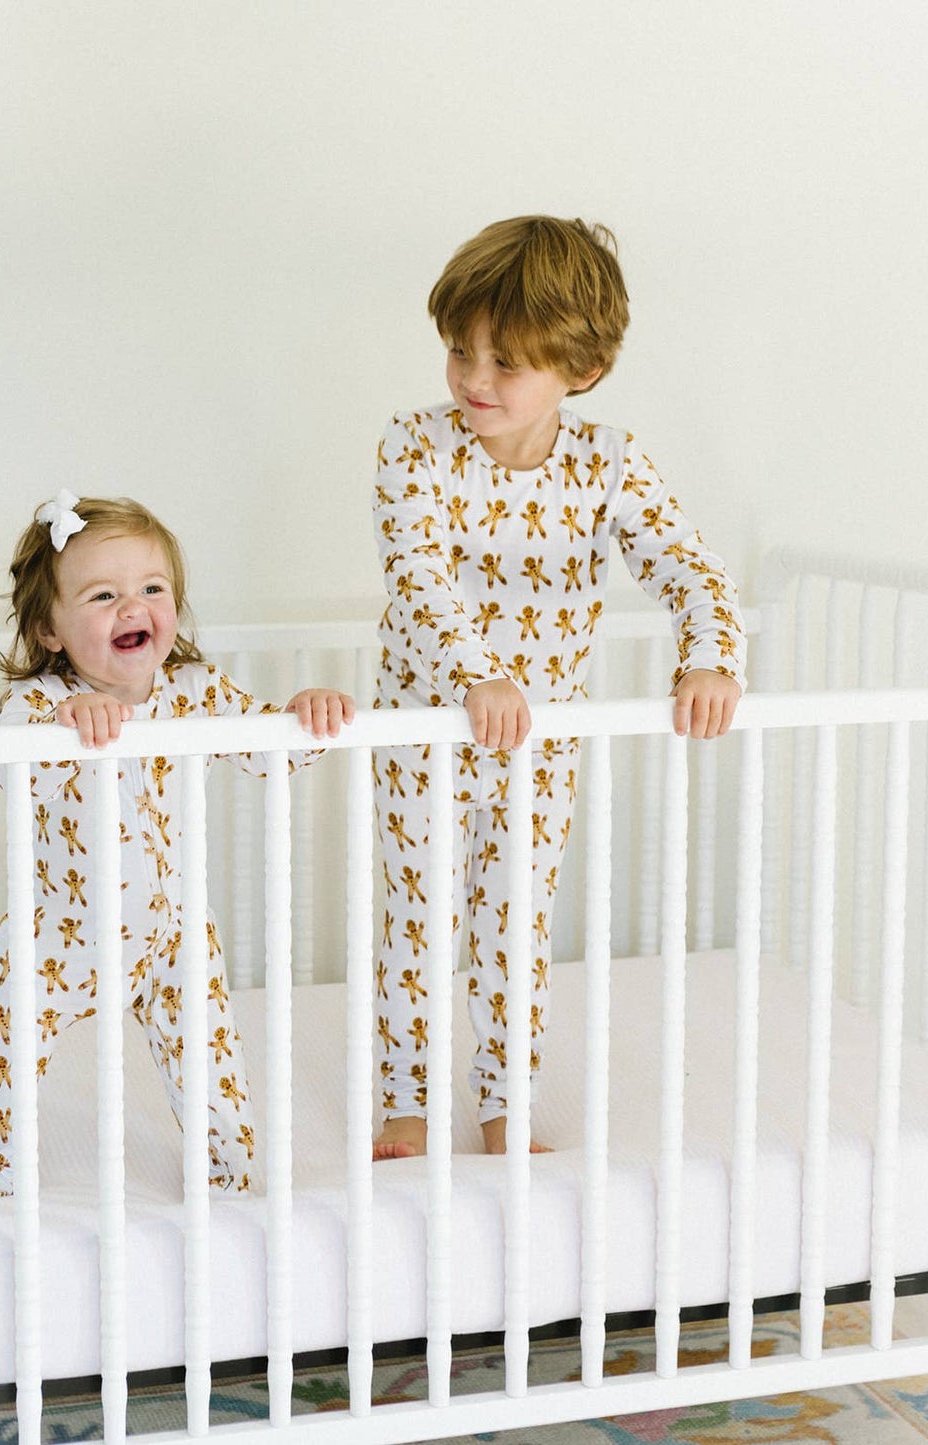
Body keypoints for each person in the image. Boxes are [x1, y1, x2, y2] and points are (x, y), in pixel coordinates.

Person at [371, 215, 746, 1160]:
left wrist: (708, 657)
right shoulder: (413, 448)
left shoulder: (608, 463)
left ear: (579, 372)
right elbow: (416, 581)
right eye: (460, 351)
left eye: (505, 363)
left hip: (539, 750)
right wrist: (478, 677)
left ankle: (503, 1104)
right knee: (415, 919)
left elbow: (692, 571)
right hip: (426, 732)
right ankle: (405, 1102)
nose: (473, 381)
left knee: (514, 927)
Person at [0, 493, 354, 1197]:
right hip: (66, 930)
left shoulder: (191, 689)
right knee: (2, 1038)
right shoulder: (39, 704)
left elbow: (267, 751)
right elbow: (9, 771)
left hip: (173, 932)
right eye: (103, 594)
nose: (132, 607)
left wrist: (302, 717)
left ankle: (231, 1179)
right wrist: (65, 723)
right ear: (50, 628)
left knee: (211, 1060)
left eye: (151, 589)